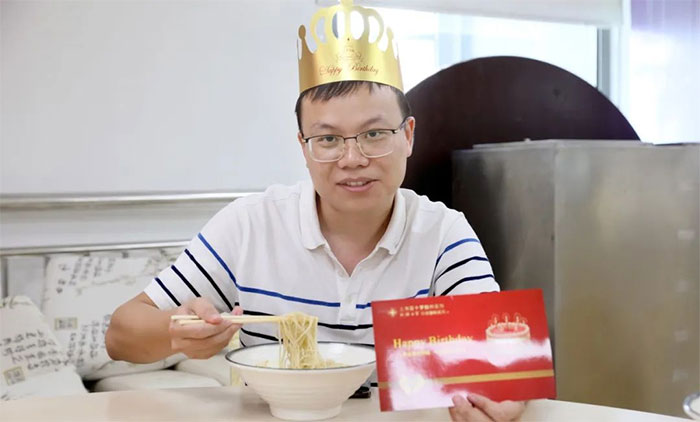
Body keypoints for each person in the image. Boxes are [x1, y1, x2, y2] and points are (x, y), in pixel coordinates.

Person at [106, 1, 525, 420]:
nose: (353, 159)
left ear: (408, 136)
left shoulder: (442, 233)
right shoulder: (250, 224)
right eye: (327, 140)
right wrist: (177, 332)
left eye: (375, 134)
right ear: (303, 148)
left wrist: (507, 395)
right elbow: (120, 335)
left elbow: (503, 361)